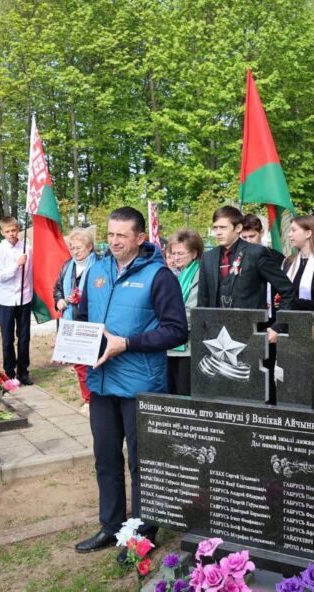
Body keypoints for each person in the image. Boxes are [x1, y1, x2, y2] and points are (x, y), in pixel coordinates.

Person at [73, 207, 187, 561]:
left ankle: (141, 533)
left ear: (140, 237)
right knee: (106, 459)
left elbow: (177, 330)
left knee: (142, 464)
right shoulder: (97, 270)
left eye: (122, 235)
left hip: (141, 384)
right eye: (110, 234)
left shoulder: (159, 276)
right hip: (102, 383)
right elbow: (83, 318)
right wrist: (74, 343)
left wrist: (127, 343)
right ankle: (111, 525)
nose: (114, 241)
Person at [197, 206, 295, 344]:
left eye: (223, 227)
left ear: (238, 228)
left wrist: (278, 326)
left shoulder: (256, 253)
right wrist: (202, 334)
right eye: (215, 227)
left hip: (250, 334)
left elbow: (288, 290)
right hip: (216, 336)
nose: (218, 232)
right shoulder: (208, 257)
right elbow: (203, 300)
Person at [282, 215, 314, 409]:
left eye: (294, 230)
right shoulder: (290, 263)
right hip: (292, 331)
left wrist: (295, 302)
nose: (290, 234)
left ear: (309, 233)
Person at [54, 227, 99, 404]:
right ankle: (87, 399)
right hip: (71, 319)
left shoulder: (100, 265)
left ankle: (97, 398)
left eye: (79, 248)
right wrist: (59, 300)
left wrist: (85, 298)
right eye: (72, 248)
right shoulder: (67, 265)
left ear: (89, 247)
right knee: (79, 363)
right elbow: (58, 288)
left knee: (93, 362)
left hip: (92, 320)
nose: (75, 251)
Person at [0, 216, 33, 385]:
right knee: (8, 339)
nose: (11, 234)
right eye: (7, 231)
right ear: (2, 232)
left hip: (24, 298)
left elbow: (32, 272)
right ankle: (10, 372)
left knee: (24, 337)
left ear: (18, 229)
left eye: (13, 230)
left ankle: (23, 372)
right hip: (6, 300)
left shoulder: (27, 248)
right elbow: (0, 276)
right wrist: (17, 265)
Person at [165, 229, 204, 395]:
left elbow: (191, 310)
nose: (176, 257)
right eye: (173, 253)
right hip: (170, 342)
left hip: (187, 345)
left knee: (184, 393)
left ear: (194, 253)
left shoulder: (199, 274)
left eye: (181, 253)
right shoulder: (178, 274)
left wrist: (170, 330)